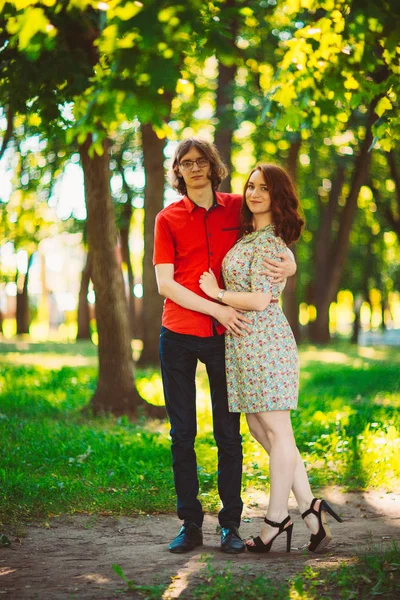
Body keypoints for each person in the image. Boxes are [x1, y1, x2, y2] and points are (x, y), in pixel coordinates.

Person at [153, 139, 296, 554]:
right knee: (183, 433)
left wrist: (291, 262)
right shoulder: (167, 217)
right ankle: (190, 524)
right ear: (178, 170)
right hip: (179, 334)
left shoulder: (238, 206)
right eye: (186, 163)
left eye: (201, 161)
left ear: (214, 167)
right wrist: (216, 308)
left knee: (228, 435)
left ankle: (230, 526)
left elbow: (276, 231)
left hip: (225, 340)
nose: (194, 168)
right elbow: (166, 284)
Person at [199, 163, 343, 554]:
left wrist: (216, 293)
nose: (254, 193)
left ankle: (275, 520)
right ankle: (313, 515)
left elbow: (261, 300)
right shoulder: (251, 236)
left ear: (277, 196)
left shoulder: (270, 243)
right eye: (250, 185)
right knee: (266, 432)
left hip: (265, 344)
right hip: (245, 346)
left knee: (277, 433)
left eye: (264, 188)